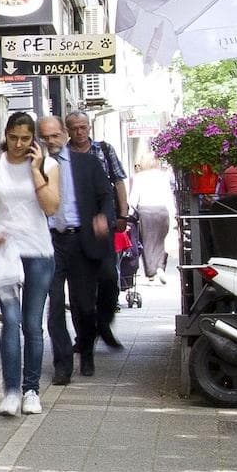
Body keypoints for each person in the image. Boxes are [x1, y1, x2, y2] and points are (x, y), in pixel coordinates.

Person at [0, 112, 62, 416]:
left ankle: (31, 390)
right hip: (6, 254)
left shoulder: (49, 166)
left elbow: (52, 207)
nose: (18, 144)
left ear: (34, 140)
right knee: (10, 323)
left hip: (39, 253)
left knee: (32, 325)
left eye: (25, 138)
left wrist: (37, 170)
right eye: (13, 137)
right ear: (5, 134)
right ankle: (11, 391)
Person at [38, 116, 117, 385]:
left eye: (55, 136)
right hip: (49, 242)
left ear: (64, 134)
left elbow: (106, 195)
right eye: (45, 137)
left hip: (80, 240)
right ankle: (62, 364)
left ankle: (86, 348)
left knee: (84, 304)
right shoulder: (36, 167)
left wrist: (103, 217)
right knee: (56, 304)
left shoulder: (87, 163)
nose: (51, 141)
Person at [65, 111, 127, 348]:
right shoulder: (64, 155)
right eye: (74, 128)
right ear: (68, 131)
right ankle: (83, 337)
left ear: (89, 127)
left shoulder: (104, 149)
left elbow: (118, 180)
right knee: (79, 286)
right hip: (75, 227)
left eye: (83, 127)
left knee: (109, 277)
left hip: (103, 224)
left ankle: (104, 323)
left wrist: (122, 213)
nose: (80, 132)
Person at [131, 152, 174, 282]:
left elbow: (133, 197)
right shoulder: (163, 176)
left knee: (148, 243)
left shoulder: (139, 177)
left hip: (146, 211)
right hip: (162, 211)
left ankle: (151, 272)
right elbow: (168, 196)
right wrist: (173, 213)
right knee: (161, 241)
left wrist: (129, 213)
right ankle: (160, 266)